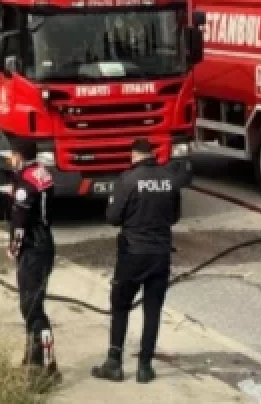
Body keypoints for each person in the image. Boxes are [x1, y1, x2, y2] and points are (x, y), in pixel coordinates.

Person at [92, 138, 193, 384]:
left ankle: (114, 362)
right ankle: (145, 367)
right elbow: (175, 216)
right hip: (160, 254)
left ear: (134, 155)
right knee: (153, 309)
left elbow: (113, 218)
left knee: (120, 304)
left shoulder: (127, 180)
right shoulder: (170, 179)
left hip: (132, 254)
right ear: (152, 154)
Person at [4, 143, 61, 390]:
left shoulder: (24, 186)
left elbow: (20, 221)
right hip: (46, 242)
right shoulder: (42, 173)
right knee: (34, 305)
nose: (10, 160)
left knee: (32, 307)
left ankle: (48, 366)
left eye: (12, 155)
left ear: (19, 156)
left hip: (33, 248)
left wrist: (13, 248)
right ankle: (33, 359)